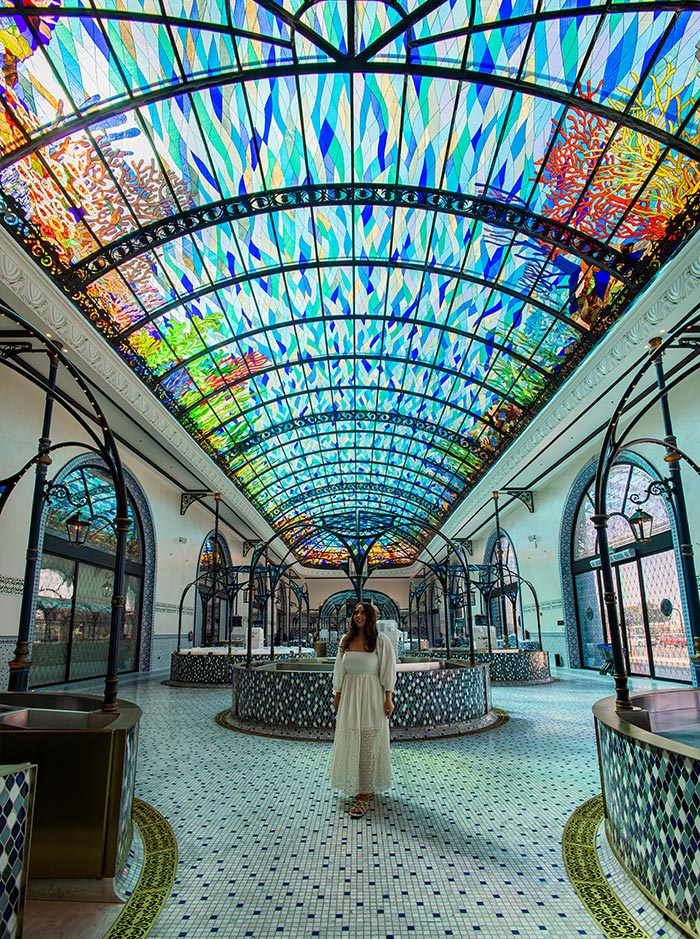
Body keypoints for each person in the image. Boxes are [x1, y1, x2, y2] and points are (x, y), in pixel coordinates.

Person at [329, 602, 396, 818]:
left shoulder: (380, 641)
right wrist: (337, 695)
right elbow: (340, 669)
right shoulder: (345, 640)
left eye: (363, 612)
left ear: (370, 617)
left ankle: (364, 794)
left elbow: (388, 670)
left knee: (368, 741)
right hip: (349, 696)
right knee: (352, 739)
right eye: (356, 612)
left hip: (372, 697)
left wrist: (388, 698)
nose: (358, 615)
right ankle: (359, 784)